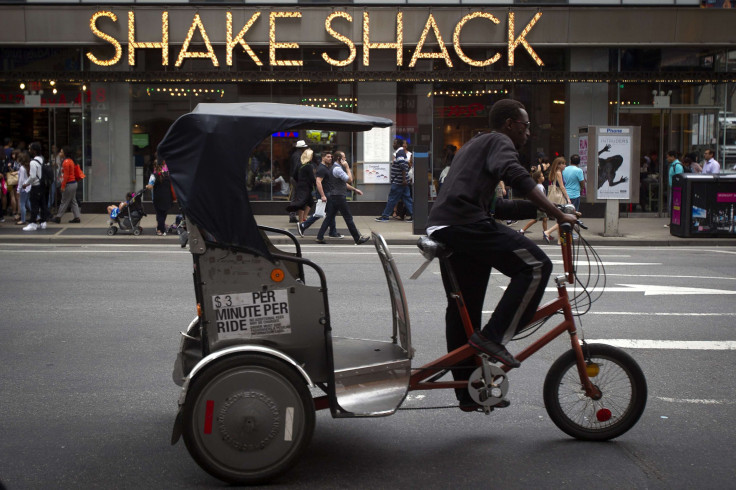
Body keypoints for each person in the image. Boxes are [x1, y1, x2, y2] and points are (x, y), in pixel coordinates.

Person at [426, 98, 576, 411]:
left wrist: (550, 208)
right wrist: (557, 215)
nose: (528, 133)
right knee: (536, 266)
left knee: (462, 309)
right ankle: (493, 339)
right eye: (526, 126)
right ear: (509, 124)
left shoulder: (475, 143)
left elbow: (496, 207)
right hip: (464, 224)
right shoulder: (499, 141)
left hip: (448, 225)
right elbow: (515, 177)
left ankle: (467, 391)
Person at [315, 150, 370, 245]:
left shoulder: (333, 168)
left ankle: (320, 237)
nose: (345, 159)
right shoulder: (338, 169)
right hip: (339, 197)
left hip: (334, 196)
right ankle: (357, 239)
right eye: (343, 158)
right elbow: (349, 180)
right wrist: (347, 168)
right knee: (348, 217)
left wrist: (354, 190)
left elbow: (342, 183)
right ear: (339, 159)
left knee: (329, 217)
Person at [297, 151, 340, 238]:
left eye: (331, 157)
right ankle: (303, 225)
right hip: (324, 194)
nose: (330, 158)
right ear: (323, 158)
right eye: (328, 157)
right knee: (321, 213)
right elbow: (318, 182)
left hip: (327, 193)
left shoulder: (325, 167)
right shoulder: (322, 168)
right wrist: (323, 195)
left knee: (330, 213)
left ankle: (333, 232)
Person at [375, 138, 413, 223]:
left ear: (398, 144)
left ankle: (385, 216)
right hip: (403, 181)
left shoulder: (399, 153)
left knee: (392, 199)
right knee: (407, 199)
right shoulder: (401, 152)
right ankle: (414, 216)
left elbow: (403, 166)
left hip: (399, 181)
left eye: (394, 143)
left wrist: (403, 179)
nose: (393, 145)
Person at [542, 156, 571, 244]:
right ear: (558, 165)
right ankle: (548, 232)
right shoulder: (558, 173)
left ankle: (560, 240)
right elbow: (562, 187)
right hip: (559, 198)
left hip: (555, 198)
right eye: (563, 164)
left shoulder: (553, 172)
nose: (565, 165)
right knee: (564, 219)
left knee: (560, 220)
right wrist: (568, 198)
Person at [21, 142, 48, 231]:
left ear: (34, 151)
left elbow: (32, 176)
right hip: (42, 185)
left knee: (34, 205)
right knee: (42, 204)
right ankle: (43, 222)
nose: (29, 150)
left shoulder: (33, 162)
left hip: (35, 186)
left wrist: (26, 183)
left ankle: (32, 223)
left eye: (30, 149)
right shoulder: (42, 159)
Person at [51, 146, 82, 224]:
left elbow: (66, 175)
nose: (60, 153)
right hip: (73, 183)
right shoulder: (70, 161)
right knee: (73, 201)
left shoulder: (66, 162)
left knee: (64, 201)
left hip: (69, 184)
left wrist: (63, 186)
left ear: (65, 153)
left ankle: (58, 217)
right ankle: (77, 217)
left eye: (61, 152)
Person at [287, 148, 317, 224]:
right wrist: (317, 185)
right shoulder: (309, 166)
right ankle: (301, 221)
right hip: (306, 187)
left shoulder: (299, 164)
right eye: (311, 155)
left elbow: (294, 175)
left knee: (309, 201)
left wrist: (300, 181)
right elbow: (312, 178)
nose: (312, 157)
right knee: (304, 202)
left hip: (300, 185)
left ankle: (304, 218)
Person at [146, 159, 173, 236]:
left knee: (159, 214)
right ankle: (161, 228)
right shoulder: (167, 175)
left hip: (157, 198)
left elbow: (150, 186)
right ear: (163, 165)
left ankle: (160, 230)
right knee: (164, 214)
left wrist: (147, 186)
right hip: (167, 198)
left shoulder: (153, 176)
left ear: (155, 166)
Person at [518, 170, 549, 236]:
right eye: (542, 176)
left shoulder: (539, 185)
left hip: (540, 205)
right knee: (536, 219)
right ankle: (522, 230)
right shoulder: (539, 186)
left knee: (544, 219)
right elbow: (541, 196)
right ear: (538, 179)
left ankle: (545, 233)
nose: (543, 177)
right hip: (540, 206)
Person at [288, 140, 309, 223]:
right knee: (298, 196)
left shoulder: (296, 154)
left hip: (294, 178)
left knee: (295, 196)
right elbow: (297, 168)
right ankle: (295, 215)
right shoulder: (298, 155)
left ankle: (293, 215)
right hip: (297, 178)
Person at [665, 150, 684, 225]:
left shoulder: (677, 166)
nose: (667, 159)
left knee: (675, 205)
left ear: (672, 157)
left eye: (668, 157)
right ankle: (673, 221)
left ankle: (675, 221)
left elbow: (679, 178)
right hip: (673, 188)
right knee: (672, 205)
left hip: (677, 190)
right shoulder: (673, 165)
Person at [15, 152, 31, 226]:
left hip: (23, 188)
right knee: (28, 203)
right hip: (28, 187)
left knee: (22, 204)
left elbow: (21, 180)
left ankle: (23, 219)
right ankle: (37, 216)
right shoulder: (27, 167)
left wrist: (18, 190)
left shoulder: (21, 168)